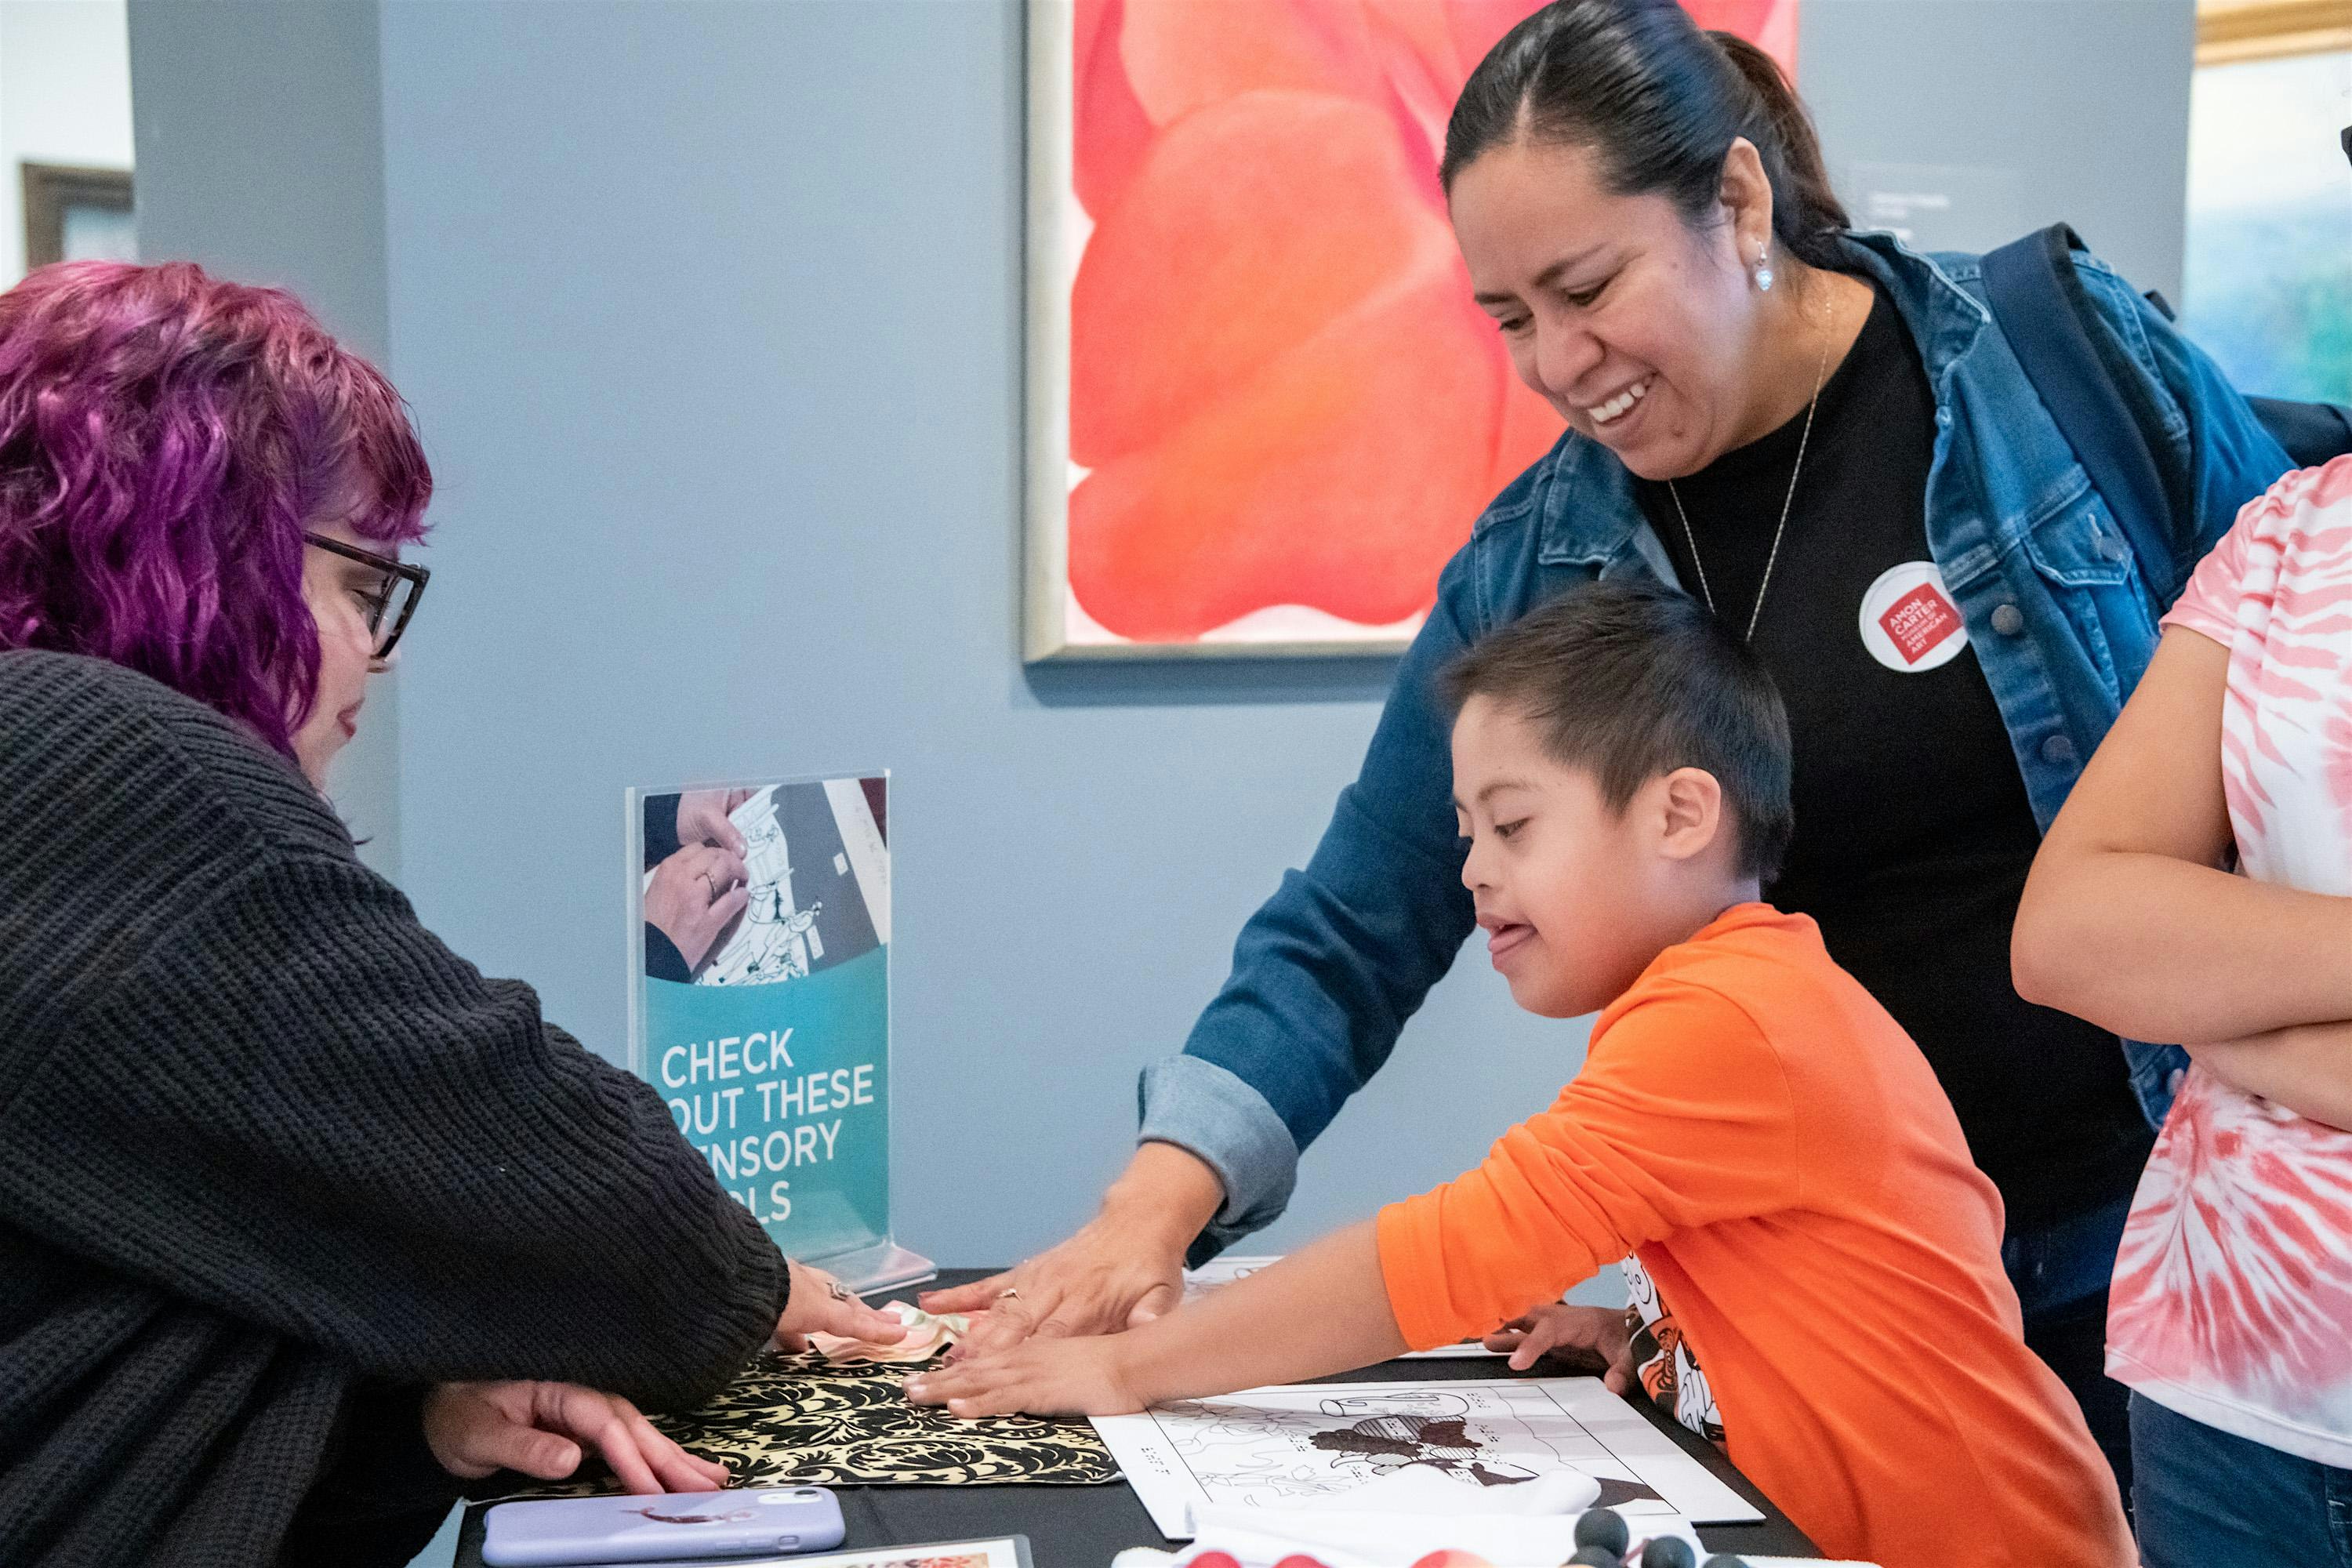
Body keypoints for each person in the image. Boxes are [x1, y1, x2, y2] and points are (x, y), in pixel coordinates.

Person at [929, 0, 2294, 1497]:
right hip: (1814, 1308)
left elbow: (2300, 705)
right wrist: (1150, 1213)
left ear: (1739, 202)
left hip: (2164, 1249)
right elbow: (1353, 925)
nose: (1560, 365)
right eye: (1510, 318)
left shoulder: (2053, 373)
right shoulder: (1537, 562)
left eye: (1589, 288)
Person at [912, 582, 2135, 1568]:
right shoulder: (1718, 997)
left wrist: (1126, 1369)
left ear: (1679, 816)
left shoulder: (1729, 1023)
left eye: (1512, 826)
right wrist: (1661, 1334)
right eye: (1464, 837)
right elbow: (1823, 1283)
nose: (1474, 874)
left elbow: (1443, 1257)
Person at [0, 260, 902, 1568]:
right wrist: (758, 1284)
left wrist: (411, 1433)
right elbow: (628, 1233)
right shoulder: (93, 757)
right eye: (361, 586)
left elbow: (111, 1387)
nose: (380, 650)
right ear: (216, 545)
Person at [2013, 453, 2352, 1564]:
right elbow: (2070, 932)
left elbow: (2149, 958)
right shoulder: (2294, 532)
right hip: (2229, 1385)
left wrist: (2237, 1018)